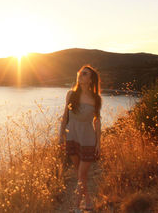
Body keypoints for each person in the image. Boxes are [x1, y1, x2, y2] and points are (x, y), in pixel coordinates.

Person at [58, 65, 102, 212]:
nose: (80, 75)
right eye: (80, 73)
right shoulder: (71, 94)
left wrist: (98, 143)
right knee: (79, 174)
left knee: (82, 173)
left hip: (88, 139)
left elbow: (97, 121)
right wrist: (60, 135)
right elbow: (65, 116)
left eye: (85, 74)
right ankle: (88, 202)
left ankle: (76, 207)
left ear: (90, 80)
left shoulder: (96, 99)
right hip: (72, 137)